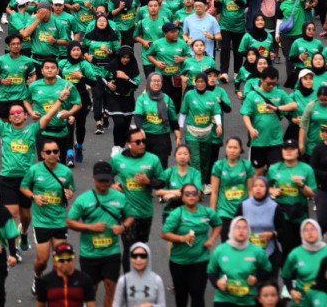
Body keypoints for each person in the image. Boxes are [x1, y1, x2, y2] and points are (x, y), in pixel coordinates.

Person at [0, 81, 72, 253]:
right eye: (13, 113)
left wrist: (59, 100)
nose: (16, 115)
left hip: (28, 181)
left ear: (25, 115)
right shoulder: (4, 129)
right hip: (7, 178)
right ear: (10, 116)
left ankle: (23, 233)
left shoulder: (32, 130)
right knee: (12, 213)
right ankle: (13, 249)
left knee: (26, 215)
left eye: (19, 112)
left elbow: (47, 117)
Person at [67, 160, 134, 307]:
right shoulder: (83, 200)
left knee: (111, 286)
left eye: (107, 180)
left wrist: (122, 227)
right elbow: (70, 222)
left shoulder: (120, 197)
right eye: (100, 180)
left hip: (111, 252)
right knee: (92, 289)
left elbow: (130, 217)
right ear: (93, 178)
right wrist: (91, 227)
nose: (103, 183)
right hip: (89, 253)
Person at [21, 136, 75, 294]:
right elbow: (23, 187)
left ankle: (55, 285)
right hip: (41, 222)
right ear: (42, 154)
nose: (52, 154)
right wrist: (34, 197)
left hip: (59, 220)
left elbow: (71, 189)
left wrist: (69, 193)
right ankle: (37, 277)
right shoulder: (34, 170)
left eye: (55, 151)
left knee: (59, 259)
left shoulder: (65, 171)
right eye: (49, 152)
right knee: (42, 260)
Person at [111, 127, 165, 269]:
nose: (142, 144)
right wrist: (112, 185)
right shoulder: (118, 159)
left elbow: (162, 181)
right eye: (138, 142)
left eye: (143, 141)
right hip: (126, 213)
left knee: (141, 248)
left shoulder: (152, 159)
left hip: (145, 212)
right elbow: (107, 176)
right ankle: (129, 281)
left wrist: (149, 182)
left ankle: (140, 279)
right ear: (129, 144)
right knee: (129, 248)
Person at [162, 182, 222, 307]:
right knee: (181, 295)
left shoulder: (206, 212)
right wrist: (182, 238)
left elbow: (218, 224)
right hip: (179, 261)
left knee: (197, 294)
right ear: (182, 197)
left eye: (194, 193)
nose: (191, 196)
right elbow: (164, 234)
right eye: (187, 194)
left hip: (200, 260)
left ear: (199, 195)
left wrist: (212, 239)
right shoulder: (177, 213)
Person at [240, 66, 297, 173]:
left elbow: (293, 105)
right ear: (261, 79)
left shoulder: (279, 93)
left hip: (275, 141)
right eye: (268, 83)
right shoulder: (252, 95)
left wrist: (278, 108)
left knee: (275, 172)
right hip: (258, 141)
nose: (271, 86)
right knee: (258, 172)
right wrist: (251, 129)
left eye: (274, 83)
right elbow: (245, 114)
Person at [267, 138, 317, 254]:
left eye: (292, 149)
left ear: (297, 152)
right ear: (282, 151)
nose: (288, 152)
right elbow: (265, 187)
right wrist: (272, 191)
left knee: (300, 247)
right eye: (286, 149)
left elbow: (312, 194)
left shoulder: (306, 169)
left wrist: (301, 185)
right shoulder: (274, 169)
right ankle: (286, 270)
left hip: (300, 213)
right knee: (286, 246)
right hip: (282, 213)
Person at [207, 217, 271, 305]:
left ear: (248, 231)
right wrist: (217, 282)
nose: (241, 231)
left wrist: (257, 279)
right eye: (237, 227)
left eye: (244, 228)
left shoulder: (257, 251)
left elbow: (267, 270)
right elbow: (211, 271)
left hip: (248, 300)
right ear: (231, 229)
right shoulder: (220, 250)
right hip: (224, 298)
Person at [178, 72, 222, 191]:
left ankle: (202, 183)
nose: (200, 84)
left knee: (205, 161)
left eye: (202, 82)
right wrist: (179, 131)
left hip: (206, 133)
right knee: (195, 160)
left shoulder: (212, 96)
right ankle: (196, 188)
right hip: (192, 132)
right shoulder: (189, 95)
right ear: (195, 82)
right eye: (198, 82)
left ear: (206, 83)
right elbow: (183, 113)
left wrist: (219, 125)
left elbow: (217, 112)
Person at [237, 175, 285, 278]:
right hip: (247, 252)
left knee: (268, 288)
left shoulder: (274, 207)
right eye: (255, 186)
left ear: (267, 188)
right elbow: (233, 227)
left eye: (262, 186)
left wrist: (272, 234)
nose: (258, 188)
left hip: (270, 252)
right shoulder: (244, 205)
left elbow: (283, 229)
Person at [210, 136, 254, 241]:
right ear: (226, 148)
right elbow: (214, 192)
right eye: (230, 147)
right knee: (226, 241)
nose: (232, 150)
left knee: (242, 241)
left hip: (242, 209)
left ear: (240, 149)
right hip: (224, 210)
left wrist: (252, 209)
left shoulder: (246, 165)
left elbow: (250, 190)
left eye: (235, 148)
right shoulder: (218, 165)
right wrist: (212, 213)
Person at [133, 71, 180, 167]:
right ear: (149, 83)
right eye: (154, 81)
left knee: (161, 166)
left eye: (159, 81)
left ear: (162, 83)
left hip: (162, 137)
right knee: (146, 166)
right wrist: (140, 129)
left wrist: (177, 134)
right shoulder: (142, 99)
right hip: (146, 136)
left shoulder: (167, 99)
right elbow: (138, 116)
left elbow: (173, 119)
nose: (156, 83)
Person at [35, 242, 95, 307]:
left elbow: (90, 304)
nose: (66, 263)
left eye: (69, 259)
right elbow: (40, 305)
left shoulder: (85, 280)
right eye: (61, 260)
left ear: (74, 258)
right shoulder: (46, 281)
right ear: (54, 261)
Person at [281, 220, 327, 305]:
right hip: (302, 298)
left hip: (323, 296)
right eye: (306, 230)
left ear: (318, 230)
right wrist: (292, 291)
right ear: (302, 234)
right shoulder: (295, 254)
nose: (310, 232)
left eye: (313, 229)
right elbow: (285, 276)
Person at [112, 243, 165, 307]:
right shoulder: (123, 281)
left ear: (148, 258)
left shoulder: (157, 280)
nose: (138, 259)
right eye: (134, 256)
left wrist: (151, 306)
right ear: (130, 258)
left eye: (142, 256)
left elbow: (162, 305)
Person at [311, 125, 327, 235]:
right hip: (322, 189)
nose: (325, 133)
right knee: (322, 222)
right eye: (323, 131)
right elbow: (311, 168)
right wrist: (324, 175)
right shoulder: (318, 149)